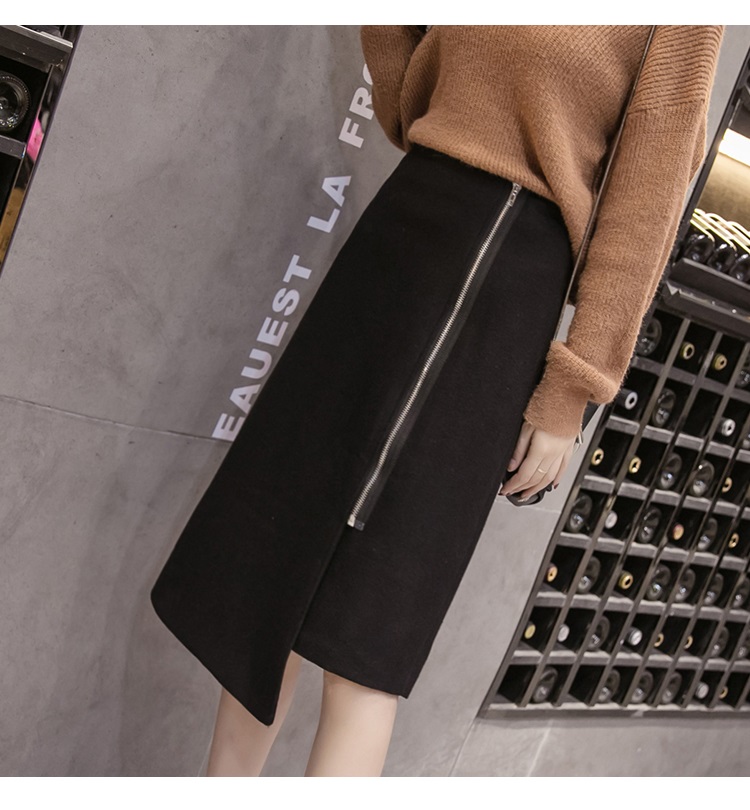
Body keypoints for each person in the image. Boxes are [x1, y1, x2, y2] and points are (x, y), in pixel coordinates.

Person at [149, 25, 725, 776]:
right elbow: (401, 92)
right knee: (266, 579)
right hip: (397, 238)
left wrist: (574, 387)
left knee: (365, 642)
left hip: (503, 278)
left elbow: (646, 205)